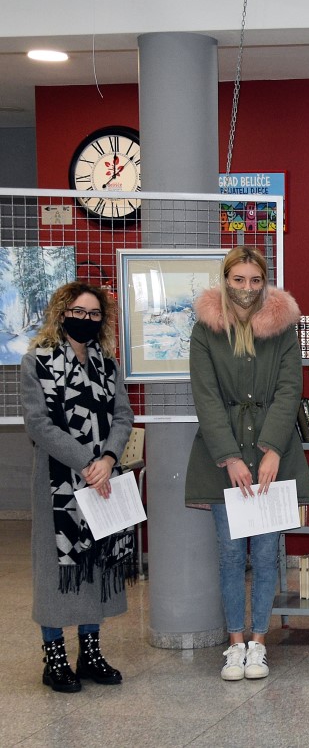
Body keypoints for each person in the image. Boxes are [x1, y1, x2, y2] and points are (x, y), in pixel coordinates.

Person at [184, 246, 309, 682]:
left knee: (267, 554)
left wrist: (273, 448)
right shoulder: (205, 330)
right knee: (230, 554)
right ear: (225, 280)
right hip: (224, 461)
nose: (246, 288)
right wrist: (230, 458)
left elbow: (290, 389)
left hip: (275, 458)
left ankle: (259, 642)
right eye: (238, 279)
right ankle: (234, 644)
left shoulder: (283, 327)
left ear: (264, 282)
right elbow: (206, 397)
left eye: (255, 280)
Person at [21, 282, 135, 693]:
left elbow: (123, 415)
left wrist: (108, 459)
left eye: (94, 314)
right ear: (62, 313)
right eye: (79, 312)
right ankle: (54, 659)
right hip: (58, 484)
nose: (86, 319)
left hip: (104, 480)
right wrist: (87, 462)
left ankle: (90, 653)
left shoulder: (107, 363)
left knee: (95, 564)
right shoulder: (37, 361)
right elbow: (38, 424)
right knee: (56, 573)